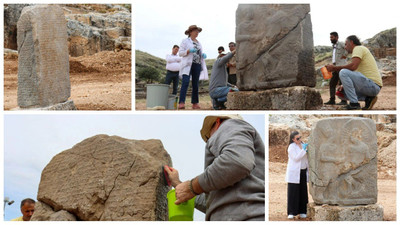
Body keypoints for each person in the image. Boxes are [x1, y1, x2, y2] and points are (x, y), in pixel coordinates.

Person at [164, 114, 265, 221]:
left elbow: (238, 162)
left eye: (208, 137)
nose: (209, 143)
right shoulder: (230, 179)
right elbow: (211, 203)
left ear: (217, 123)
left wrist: (192, 187)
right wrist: (179, 184)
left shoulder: (230, 125)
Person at [326, 35, 383, 110]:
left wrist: (334, 68)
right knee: (341, 93)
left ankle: (354, 104)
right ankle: (368, 98)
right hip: (370, 86)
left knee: (343, 72)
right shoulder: (357, 53)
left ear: (352, 42)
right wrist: (344, 85)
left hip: (373, 86)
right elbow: (355, 72)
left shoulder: (358, 48)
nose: (345, 47)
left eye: (346, 44)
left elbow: (353, 66)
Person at [178, 25, 208, 110]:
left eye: (198, 32)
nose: (197, 33)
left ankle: (195, 103)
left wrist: (202, 55)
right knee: (185, 82)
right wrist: (188, 51)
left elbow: (199, 52)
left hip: (197, 64)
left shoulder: (199, 43)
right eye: (195, 31)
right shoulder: (185, 41)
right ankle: (181, 102)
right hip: (187, 64)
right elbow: (180, 53)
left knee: (195, 84)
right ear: (190, 32)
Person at [285, 131, 309, 219]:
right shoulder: (291, 147)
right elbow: (296, 158)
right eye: (297, 138)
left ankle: (303, 211)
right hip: (294, 172)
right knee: (293, 191)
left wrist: (305, 148)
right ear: (293, 139)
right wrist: (304, 150)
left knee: (303, 191)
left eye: (300, 137)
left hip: (303, 171)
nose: (299, 139)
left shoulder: (303, 144)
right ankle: (291, 212)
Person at [324, 32, 347, 105]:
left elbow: (347, 50)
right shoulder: (333, 46)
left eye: (332, 37)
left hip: (340, 67)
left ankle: (344, 101)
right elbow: (334, 58)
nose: (330, 39)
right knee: (332, 83)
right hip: (334, 67)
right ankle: (332, 100)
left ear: (337, 37)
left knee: (342, 83)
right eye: (330, 37)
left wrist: (343, 57)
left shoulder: (341, 44)